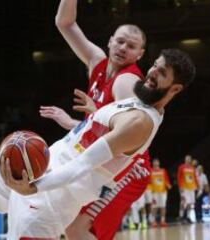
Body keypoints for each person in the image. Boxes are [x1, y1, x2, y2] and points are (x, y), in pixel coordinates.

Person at [0, 49, 196, 239]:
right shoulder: (134, 103)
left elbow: (84, 164)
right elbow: (92, 137)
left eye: (162, 73)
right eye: (155, 65)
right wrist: (82, 119)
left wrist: (34, 187)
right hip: (39, 171)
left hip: (52, 196)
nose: (153, 72)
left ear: (176, 88)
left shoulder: (140, 122)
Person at [39, 0, 150, 237]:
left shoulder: (127, 82)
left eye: (131, 46)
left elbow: (127, 135)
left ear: (139, 54)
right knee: (69, 225)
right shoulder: (97, 61)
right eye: (120, 41)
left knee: (77, 227)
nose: (122, 48)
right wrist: (73, 123)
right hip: (103, 161)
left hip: (128, 167)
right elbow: (64, 23)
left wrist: (95, 113)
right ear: (110, 41)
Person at [177, 154, 199, 223]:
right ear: (185, 159)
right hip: (184, 188)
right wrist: (180, 187)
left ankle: (188, 217)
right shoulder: (181, 167)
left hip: (192, 188)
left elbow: (195, 178)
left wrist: (198, 186)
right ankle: (181, 217)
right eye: (187, 158)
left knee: (190, 203)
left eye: (189, 159)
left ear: (190, 160)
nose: (188, 160)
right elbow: (179, 177)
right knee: (183, 202)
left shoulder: (193, 168)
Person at [150, 158, 171, 227]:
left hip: (163, 192)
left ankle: (163, 221)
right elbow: (148, 181)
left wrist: (168, 185)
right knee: (154, 207)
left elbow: (166, 179)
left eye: (157, 162)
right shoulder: (150, 171)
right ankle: (153, 221)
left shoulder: (163, 170)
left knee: (163, 207)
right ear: (153, 163)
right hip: (154, 192)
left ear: (159, 163)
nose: (156, 163)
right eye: (155, 162)